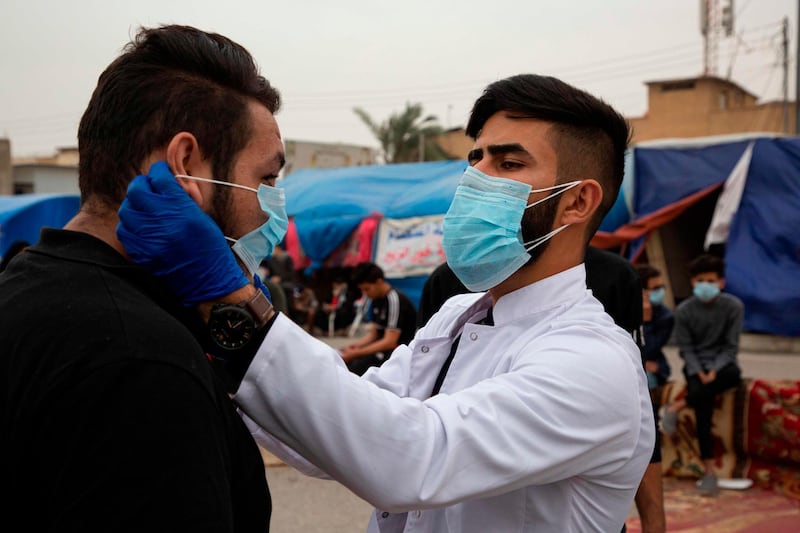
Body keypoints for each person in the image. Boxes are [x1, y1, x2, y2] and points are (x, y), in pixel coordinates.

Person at [118, 73, 655, 532]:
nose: (476, 179)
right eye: (475, 159)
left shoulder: (592, 362)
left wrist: (232, 300)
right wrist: (220, 329)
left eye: (509, 164)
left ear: (577, 201)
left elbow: (413, 459)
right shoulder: (457, 317)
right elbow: (341, 430)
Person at [0, 25, 282, 531]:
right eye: (267, 180)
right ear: (185, 164)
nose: (272, 212)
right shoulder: (144, 360)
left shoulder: (20, 286)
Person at [418, 250, 667, 533]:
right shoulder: (448, 284)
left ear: (578, 204)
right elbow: (420, 384)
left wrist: (654, 521)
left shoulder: (613, 277)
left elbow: (636, 404)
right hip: (452, 482)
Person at [662, 253, 744, 497]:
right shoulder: (685, 311)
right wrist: (700, 371)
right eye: (700, 281)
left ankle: (677, 406)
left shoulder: (733, 307)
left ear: (721, 282)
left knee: (732, 376)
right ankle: (709, 470)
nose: (704, 286)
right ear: (692, 283)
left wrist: (714, 370)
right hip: (696, 365)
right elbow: (686, 349)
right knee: (703, 406)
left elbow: (731, 347)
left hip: (722, 366)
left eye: (710, 280)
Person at [341, 262, 417, 375]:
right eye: (362, 290)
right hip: (382, 350)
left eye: (367, 289)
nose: (365, 293)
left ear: (379, 282)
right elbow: (374, 334)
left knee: (353, 370)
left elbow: (390, 342)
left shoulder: (394, 300)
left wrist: (357, 353)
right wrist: (355, 346)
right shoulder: (377, 299)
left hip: (395, 355)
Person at [636, 264, 674, 389]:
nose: (661, 291)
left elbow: (650, 350)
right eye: (656, 288)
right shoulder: (621, 312)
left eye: (662, 287)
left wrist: (646, 322)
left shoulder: (665, 316)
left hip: (653, 369)